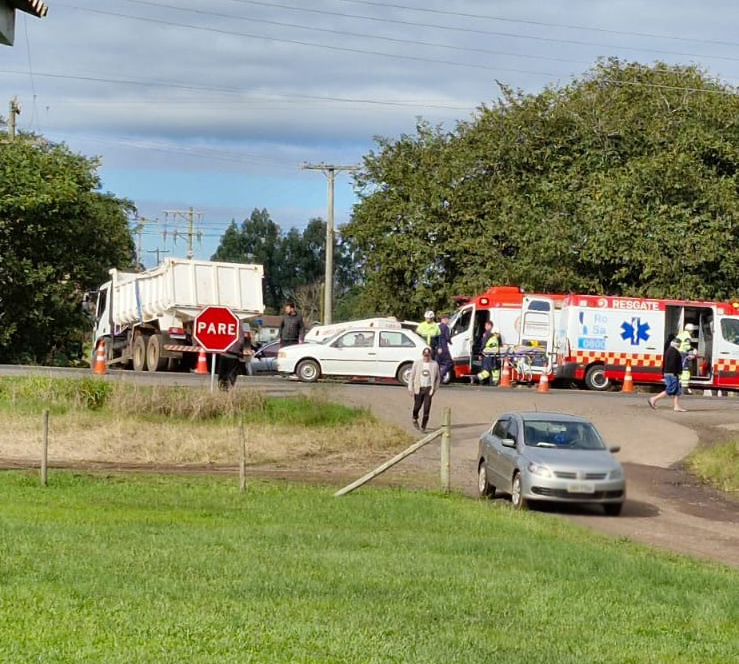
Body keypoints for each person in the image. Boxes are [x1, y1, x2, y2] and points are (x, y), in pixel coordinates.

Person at [648, 338, 686, 412]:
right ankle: (653, 399)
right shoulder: (673, 352)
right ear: (677, 344)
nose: (680, 345)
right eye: (679, 344)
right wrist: (676, 373)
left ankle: (676, 406)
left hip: (670, 373)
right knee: (670, 390)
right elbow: (672, 364)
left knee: (677, 391)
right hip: (672, 374)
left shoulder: (669, 350)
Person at [408, 346, 440, 432]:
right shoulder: (417, 363)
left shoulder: (434, 364)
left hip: (428, 388)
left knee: (427, 409)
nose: (426, 357)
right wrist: (410, 388)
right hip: (419, 388)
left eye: (428, 355)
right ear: (422, 355)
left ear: (430, 355)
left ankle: (423, 426)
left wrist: (434, 389)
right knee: (417, 406)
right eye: (425, 355)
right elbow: (412, 376)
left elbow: (438, 378)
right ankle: (414, 417)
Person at [470, 320, 500, 385]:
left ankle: (482, 381)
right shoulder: (491, 336)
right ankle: (476, 379)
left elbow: (484, 344)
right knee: (487, 371)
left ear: (490, 326)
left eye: (486, 325)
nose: (485, 327)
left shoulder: (488, 335)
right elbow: (487, 345)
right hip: (489, 356)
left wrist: (481, 353)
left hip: (489, 356)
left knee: (489, 370)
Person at [436, 312, 454, 383]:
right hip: (444, 348)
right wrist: (450, 341)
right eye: (448, 319)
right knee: (449, 363)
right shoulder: (446, 328)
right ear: (445, 319)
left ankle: (435, 377)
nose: (449, 321)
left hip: (437, 348)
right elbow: (447, 338)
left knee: (438, 363)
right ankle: (441, 375)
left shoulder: (437, 327)